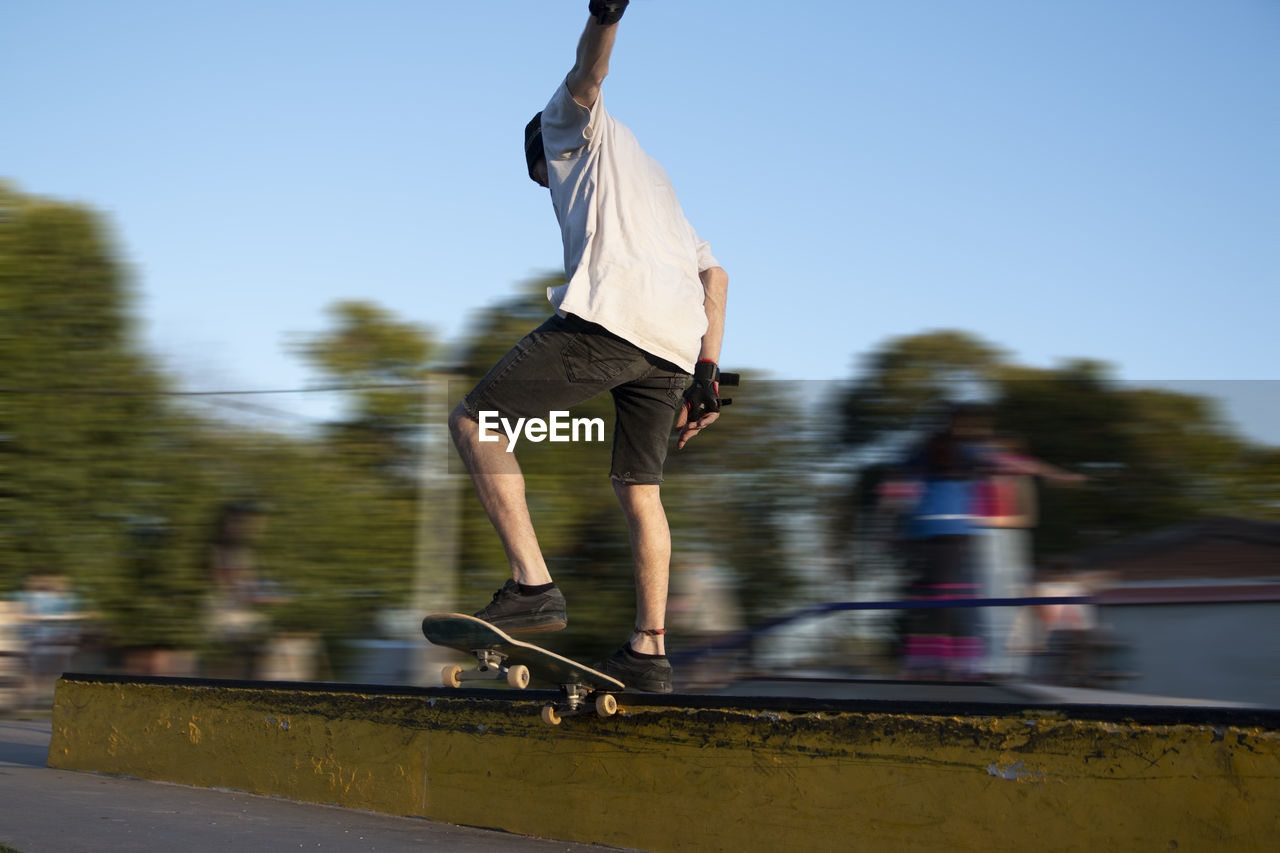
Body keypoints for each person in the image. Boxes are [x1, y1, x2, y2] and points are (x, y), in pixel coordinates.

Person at [448, 0, 730, 694]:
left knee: (476, 421)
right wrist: (709, 372)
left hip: (616, 316)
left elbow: (588, 73)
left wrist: (606, 15)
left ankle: (532, 584)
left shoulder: (564, 127)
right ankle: (649, 647)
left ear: (543, 154)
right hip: (675, 343)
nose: (551, 193)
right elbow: (715, 273)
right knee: (640, 488)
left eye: (543, 182)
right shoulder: (655, 180)